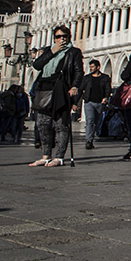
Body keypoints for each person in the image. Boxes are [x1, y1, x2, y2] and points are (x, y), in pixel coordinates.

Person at [28, 25, 85, 167]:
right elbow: (37, 65)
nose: (62, 39)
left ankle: (59, 157)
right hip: (45, 88)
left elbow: (79, 71)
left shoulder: (73, 52)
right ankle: (45, 155)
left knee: (61, 124)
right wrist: (52, 52)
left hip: (61, 89)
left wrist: (74, 86)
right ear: (54, 38)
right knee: (43, 123)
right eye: (58, 37)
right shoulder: (48, 50)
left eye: (64, 36)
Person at [80, 59, 111, 150]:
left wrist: (106, 97)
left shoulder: (105, 78)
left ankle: (91, 138)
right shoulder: (87, 78)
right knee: (90, 121)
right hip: (89, 102)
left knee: (96, 122)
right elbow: (80, 89)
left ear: (98, 67)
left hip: (100, 103)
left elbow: (108, 89)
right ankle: (88, 141)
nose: (91, 69)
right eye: (90, 67)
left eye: (92, 67)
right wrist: (75, 103)